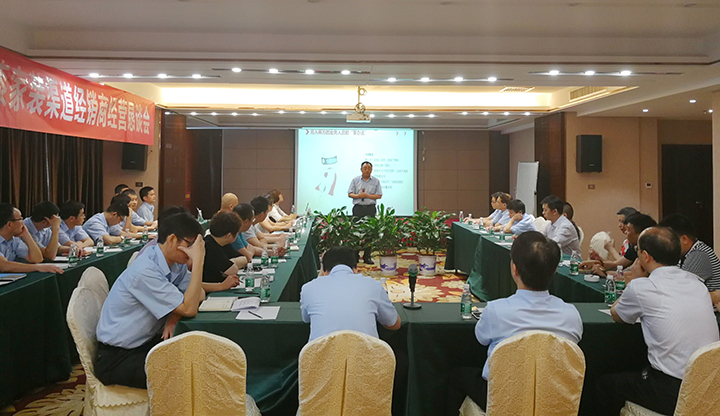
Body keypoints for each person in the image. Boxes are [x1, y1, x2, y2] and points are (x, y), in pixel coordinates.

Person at [446, 231, 582, 413]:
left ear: (514, 269)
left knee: (457, 376)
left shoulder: (496, 311)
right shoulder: (571, 315)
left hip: (502, 396)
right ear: (555, 270)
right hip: (553, 397)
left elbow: (481, 338)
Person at [598, 227, 719, 415]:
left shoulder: (642, 286)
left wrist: (635, 280)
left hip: (671, 391)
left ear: (645, 256)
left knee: (604, 385)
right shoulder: (697, 283)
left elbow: (616, 314)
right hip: (709, 386)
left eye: (637, 250)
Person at [95, 212, 206, 389]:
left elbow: (198, 293)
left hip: (146, 343)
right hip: (118, 358)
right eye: (190, 244)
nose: (193, 251)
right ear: (172, 239)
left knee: (200, 356)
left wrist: (174, 316)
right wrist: (198, 261)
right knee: (187, 375)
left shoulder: (174, 263)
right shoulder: (146, 271)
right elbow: (190, 308)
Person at [300, 246, 400, 341]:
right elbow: (394, 324)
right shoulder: (373, 285)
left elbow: (306, 319)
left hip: (320, 353)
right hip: (365, 353)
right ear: (356, 269)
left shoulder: (308, 288)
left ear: (324, 271)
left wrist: (320, 277)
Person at [659, 213, 720, 304]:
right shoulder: (684, 254)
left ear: (684, 239)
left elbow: (682, 290)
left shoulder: (699, 254)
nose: (664, 245)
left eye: (668, 241)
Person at [582, 213, 656, 276]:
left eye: (628, 230)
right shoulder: (634, 247)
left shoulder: (650, 251)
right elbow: (617, 265)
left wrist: (605, 274)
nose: (625, 233)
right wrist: (596, 263)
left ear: (640, 234)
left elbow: (637, 276)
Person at [0, 203, 64, 274]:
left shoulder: (14, 239)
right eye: (20, 219)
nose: (23, 222)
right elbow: (4, 265)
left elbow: (37, 259)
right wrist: (37, 267)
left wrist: (27, 235)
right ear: (9, 224)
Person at [348, 161, 382, 263]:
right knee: (356, 233)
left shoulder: (376, 181)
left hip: (370, 209)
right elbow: (350, 193)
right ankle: (355, 256)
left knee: (369, 233)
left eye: (369, 168)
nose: (367, 170)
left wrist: (367, 195)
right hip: (358, 208)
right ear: (361, 169)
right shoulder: (355, 180)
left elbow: (379, 195)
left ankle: (367, 256)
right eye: (365, 168)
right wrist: (358, 196)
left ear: (372, 170)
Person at [202, 211, 246, 285]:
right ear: (229, 235)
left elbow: (244, 259)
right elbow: (233, 270)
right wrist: (230, 264)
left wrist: (229, 262)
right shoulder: (209, 246)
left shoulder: (223, 243)